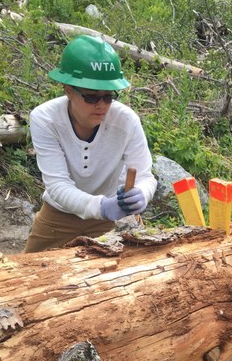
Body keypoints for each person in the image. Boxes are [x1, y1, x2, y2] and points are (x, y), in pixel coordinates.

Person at [24, 35, 157, 252]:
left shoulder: (126, 121)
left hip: (112, 217)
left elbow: (144, 176)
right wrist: (101, 206)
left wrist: (141, 194)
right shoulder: (45, 119)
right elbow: (57, 185)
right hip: (60, 215)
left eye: (108, 97)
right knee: (28, 268)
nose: (101, 105)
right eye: (91, 97)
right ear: (68, 90)